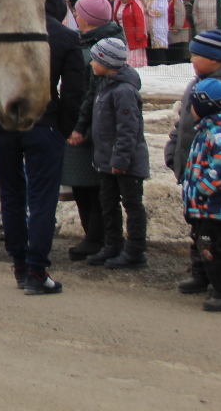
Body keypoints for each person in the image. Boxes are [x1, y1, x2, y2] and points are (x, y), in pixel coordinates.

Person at [0, 0, 88, 294]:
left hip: (3, 122)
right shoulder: (66, 37)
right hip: (44, 123)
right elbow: (74, 92)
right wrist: (65, 127)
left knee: (12, 195)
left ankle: (20, 264)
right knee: (42, 199)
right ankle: (36, 270)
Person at [166, 29, 221, 295]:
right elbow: (184, 121)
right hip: (192, 168)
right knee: (196, 228)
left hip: (213, 182)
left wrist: (206, 183)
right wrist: (173, 147)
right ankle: (200, 273)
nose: (191, 59)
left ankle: (219, 280)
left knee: (214, 234)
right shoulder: (197, 82)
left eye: (196, 55)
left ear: (215, 59)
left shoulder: (219, 87)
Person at [65, 0, 125, 260]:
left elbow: (91, 94)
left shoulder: (98, 50)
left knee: (92, 185)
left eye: (78, 13)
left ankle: (96, 237)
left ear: (88, 19)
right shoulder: (88, 43)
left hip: (89, 128)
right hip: (82, 125)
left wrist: (81, 127)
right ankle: (93, 236)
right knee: (83, 183)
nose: (75, 17)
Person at [86, 37, 150, 268]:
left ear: (108, 62)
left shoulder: (123, 91)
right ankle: (112, 245)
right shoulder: (104, 86)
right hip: (106, 161)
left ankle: (135, 251)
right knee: (108, 203)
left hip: (126, 163)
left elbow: (128, 129)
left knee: (131, 205)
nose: (91, 63)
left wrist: (120, 159)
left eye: (95, 59)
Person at [180, 77, 221, 312]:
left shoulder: (219, 133)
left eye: (192, 105)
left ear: (203, 106)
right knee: (200, 243)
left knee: (215, 249)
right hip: (202, 206)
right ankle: (203, 277)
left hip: (215, 206)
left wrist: (202, 190)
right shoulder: (206, 130)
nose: (189, 110)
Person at [110, 0, 149, 68]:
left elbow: (140, 21)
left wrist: (139, 35)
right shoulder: (118, 5)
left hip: (133, 36)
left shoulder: (134, 6)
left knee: (132, 54)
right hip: (122, 35)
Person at [142, 0, 170, 66]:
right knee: (150, 50)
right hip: (148, 29)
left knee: (159, 50)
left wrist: (148, 11)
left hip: (158, 27)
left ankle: (162, 67)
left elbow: (161, 11)